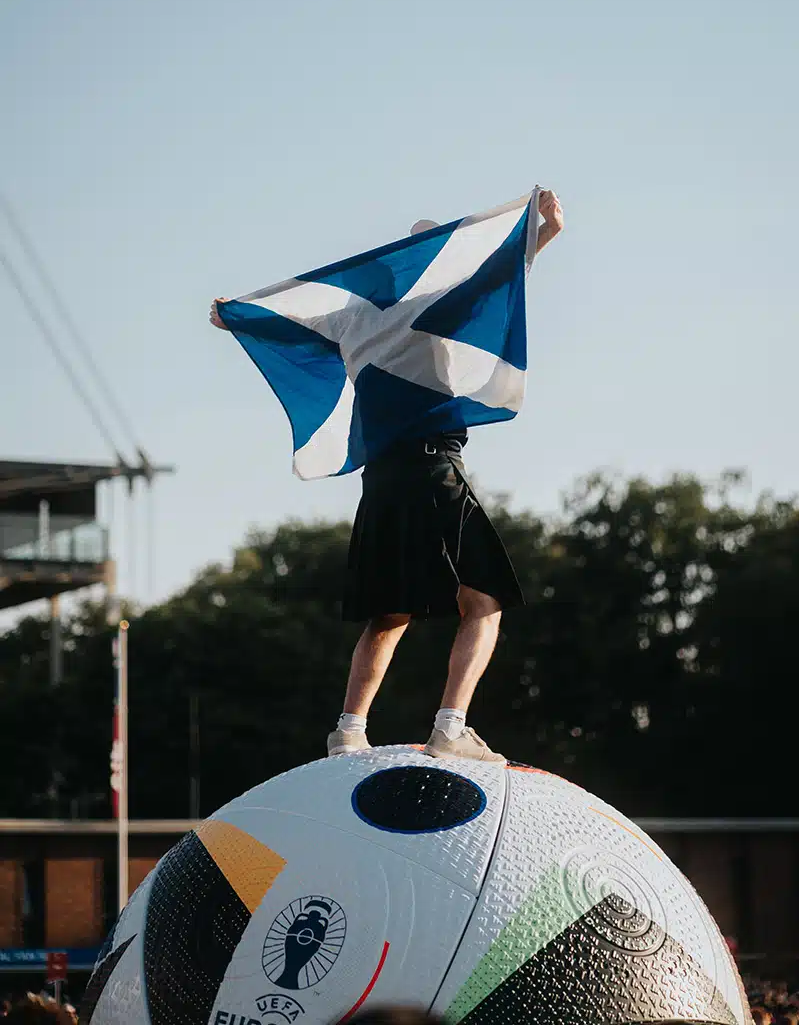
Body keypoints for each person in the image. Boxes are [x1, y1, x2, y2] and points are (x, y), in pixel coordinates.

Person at [211, 189, 564, 762]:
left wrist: (236, 316)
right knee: (485, 601)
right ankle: (450, 727)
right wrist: (545, 233)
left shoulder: (349, 316)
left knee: (388, 613)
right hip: (433, 467)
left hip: (381, 480)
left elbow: (288, 324)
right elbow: (503, 276)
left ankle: (348, 730)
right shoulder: (440, 302)